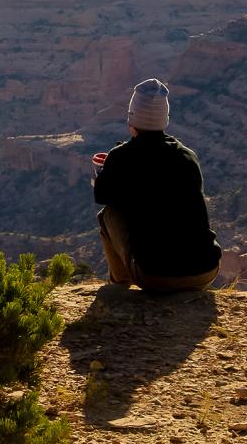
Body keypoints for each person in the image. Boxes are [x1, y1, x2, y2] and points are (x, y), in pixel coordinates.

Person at [94, 78, 222, 291]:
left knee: (107, 215)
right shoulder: (187, 157)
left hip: (156, 276)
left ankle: (119, 286)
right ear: (165, 119)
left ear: (131, 119)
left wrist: (103, 174)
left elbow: (102, 196)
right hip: (206, 271)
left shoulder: (122, 157)